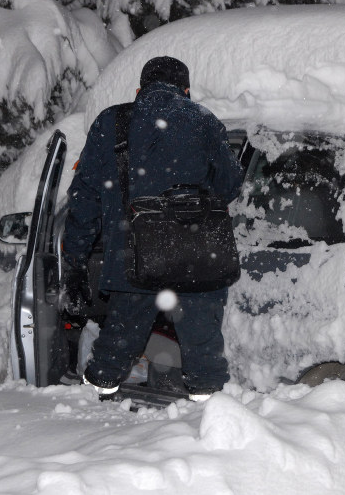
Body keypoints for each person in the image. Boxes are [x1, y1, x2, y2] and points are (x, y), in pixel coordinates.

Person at [61, 56, 244, 401]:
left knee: (115, 349)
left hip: (133, 258)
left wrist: (75, 260)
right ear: (186, 91)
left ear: (139, 90)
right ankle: (211, 418)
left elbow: (83, 198)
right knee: (204, 358)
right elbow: (229, 185)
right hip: (197, 257)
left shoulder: (111, 122)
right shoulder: (203, 120)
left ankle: (96, 406)